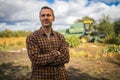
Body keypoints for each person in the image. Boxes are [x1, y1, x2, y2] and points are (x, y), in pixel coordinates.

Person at [26, 6, 70, 80]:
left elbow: (66, 58)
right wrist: (56, 53)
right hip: (40, 77)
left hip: (61, 77)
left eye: (48, 15)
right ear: (40, 18)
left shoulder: (60, 36)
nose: (46, 18)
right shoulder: (32, 37)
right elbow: (36, 59)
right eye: (43, 15)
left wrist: (44, 59)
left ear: (53, 18)